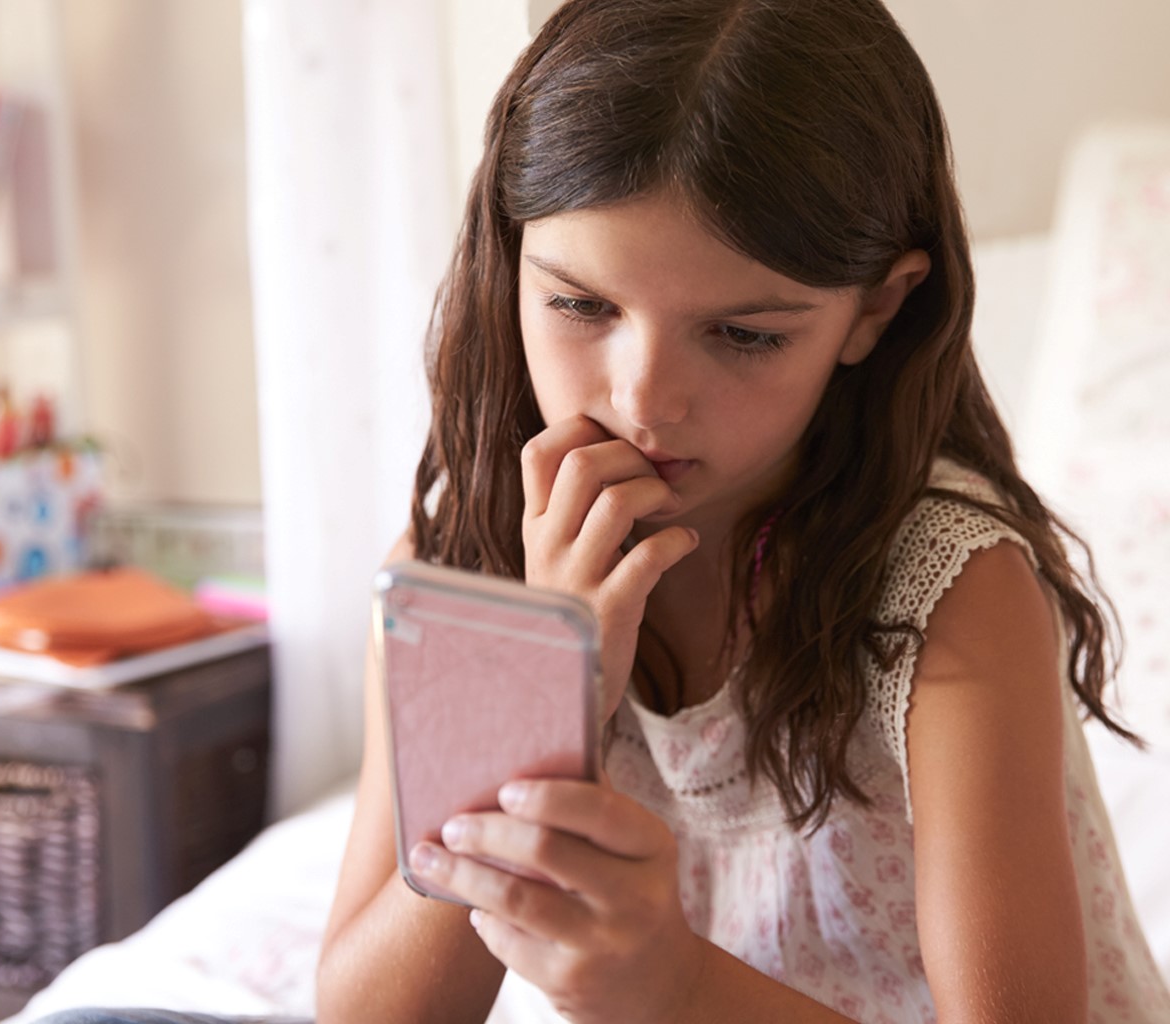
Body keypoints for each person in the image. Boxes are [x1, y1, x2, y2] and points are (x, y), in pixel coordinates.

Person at [316, 0, 1170, 1021]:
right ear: (509, 260)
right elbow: (369, 1011)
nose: (642, 399)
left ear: (873, 312)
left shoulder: (945, 587)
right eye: (582, 305)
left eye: (740, 333)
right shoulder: (463, 556)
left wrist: (670, 983)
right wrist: (537, 697)